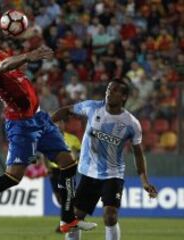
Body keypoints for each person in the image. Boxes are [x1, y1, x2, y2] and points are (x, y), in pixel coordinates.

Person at [0, 22, 97, 235]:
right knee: (13, 176)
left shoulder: (1, 53)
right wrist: (27, 55)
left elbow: (10, 67)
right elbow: (1, 68)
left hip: (39, 117)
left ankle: (67, 221)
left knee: (68, 164)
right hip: (20, 123)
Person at [51, 80, 158, 240]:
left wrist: (144, 181)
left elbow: (138, 153)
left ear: (123, 96)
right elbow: (67, 110)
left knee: (110, 216)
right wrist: (48, 124)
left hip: (113, 174)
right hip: (88, 172)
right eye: (108, 89)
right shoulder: (92, 107)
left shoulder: (131, 123)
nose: (109, 92)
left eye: (115, 90)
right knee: (75, 218)